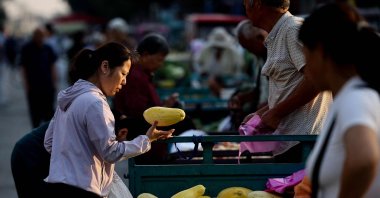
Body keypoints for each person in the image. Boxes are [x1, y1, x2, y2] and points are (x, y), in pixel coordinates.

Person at [44, 41, 175, 197]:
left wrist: (81, 154)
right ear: (105, 67)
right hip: (83, 189)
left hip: (58, 187)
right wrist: (146, 140)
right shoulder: (96, 102)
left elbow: (50, 142)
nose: (125, 81)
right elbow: (111, 153)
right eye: (123, 74)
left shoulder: (69, 98)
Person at [298, 3, 380, 197]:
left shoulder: (354, 98)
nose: (306, 69)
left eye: (306, 55)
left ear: (320, 51)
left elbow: (364, 159)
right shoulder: (354, 95)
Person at [241, 0, 332, 162]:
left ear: (256, 4)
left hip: (304, 143)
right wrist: (262, 114)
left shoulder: (292, 30)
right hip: (291, 142)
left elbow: (317, 80)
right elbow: (290, 88)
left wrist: (276, 113)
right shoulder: (279, 34)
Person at [113, 33, 196, 164]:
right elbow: (140, 113)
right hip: (144, 143)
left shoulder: (143, 75)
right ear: (145, 55)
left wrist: (165, 105)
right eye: (159, 59)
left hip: (147, 143)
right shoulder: (135, 77)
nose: (161, 64)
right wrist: (166, 109)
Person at [20, 26, 58, 128]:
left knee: (49, 113)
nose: (40, 38)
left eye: (42, 36)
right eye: (38, 35)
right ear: (34, 36)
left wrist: (54, 81)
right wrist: (26, 84)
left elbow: (52, 66)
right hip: (33, 86)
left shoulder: (48, 48)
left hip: (47, 85)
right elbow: (23, 67)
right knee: (35, 113)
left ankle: (48, 135)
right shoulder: (26, 48)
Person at [194, 26, 246, 98]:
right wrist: (203, 73)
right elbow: (199, 63)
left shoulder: (232, 52)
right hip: (209, 81)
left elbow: (239, 66)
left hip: (229, 82)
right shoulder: (207, 51)